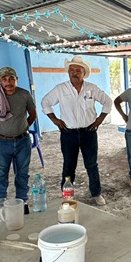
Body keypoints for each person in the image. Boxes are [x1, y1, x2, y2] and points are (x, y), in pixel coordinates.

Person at [41, 55, 110, 206]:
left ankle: (96, 193)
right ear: (68, 72)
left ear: (84, 73)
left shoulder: (91, 88)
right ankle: (67, 195)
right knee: (69, 165)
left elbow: (107, 102)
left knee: (91, 164)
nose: (75, 73)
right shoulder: (61, 89)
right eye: (72, 70)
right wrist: (55, 120)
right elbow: (45, 102)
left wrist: (100, 119)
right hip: (68, 133)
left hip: (88, 133)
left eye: (78, 70)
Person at [0, 66, 37, 210]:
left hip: (23, 140)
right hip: (2, 142)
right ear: (0, 80)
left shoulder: (25, 94)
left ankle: (22, 202)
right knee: (1, 174)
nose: (8, 82)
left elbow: (33, 113)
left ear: (16, 79)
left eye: (11, 79)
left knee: (22, 173)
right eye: (4, 79)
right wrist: (1, 127)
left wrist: (23, 127)